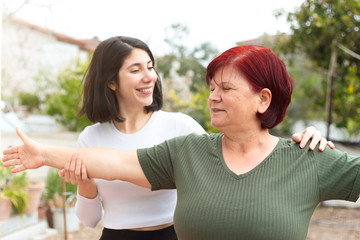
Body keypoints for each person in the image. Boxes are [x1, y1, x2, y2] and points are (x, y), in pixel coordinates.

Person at [2, 45, 348, 240]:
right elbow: (114, 163)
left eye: (225, 89)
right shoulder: (187, 150)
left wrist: (313, 142)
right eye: (211, 88)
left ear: (263, 99)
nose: (213, 98)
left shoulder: (308, 157)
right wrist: (44, 155)